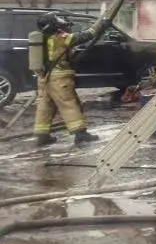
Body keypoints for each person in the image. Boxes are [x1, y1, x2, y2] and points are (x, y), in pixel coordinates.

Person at [33, 12, 108, 146]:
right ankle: (80, 134)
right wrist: (100, 23)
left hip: (44, 78)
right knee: (69, 104)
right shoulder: (60, 38)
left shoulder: (42, 39)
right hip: (60, 79)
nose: (60, 21)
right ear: (52, 24)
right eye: (56, 20)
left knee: (45, 106)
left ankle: (42, 136)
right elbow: (87, 35)